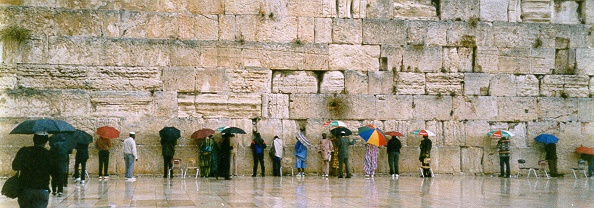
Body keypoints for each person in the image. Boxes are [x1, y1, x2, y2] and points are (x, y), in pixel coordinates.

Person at [12, 132, 54, 208]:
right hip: (42, 189)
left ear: (34, 139)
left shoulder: (24, 151)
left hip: (25, 189)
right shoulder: (49, 154)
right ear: (46, 141)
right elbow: (54, 172)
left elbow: (15, 167)